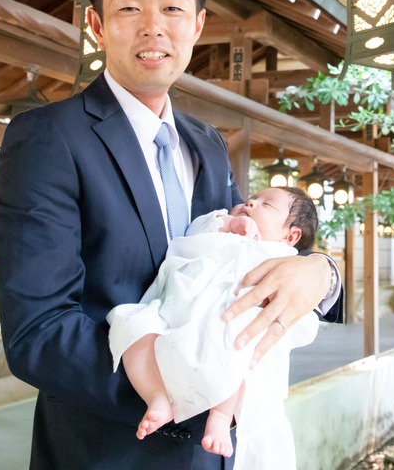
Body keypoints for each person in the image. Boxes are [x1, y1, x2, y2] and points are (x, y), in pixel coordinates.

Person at [0, 0, 342, 470]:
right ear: (97, 25)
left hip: (219, 453)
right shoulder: (48, 137)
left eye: (173, 8)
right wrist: (183, 386)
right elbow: (38, 331)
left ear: (197, 25)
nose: (153, 26)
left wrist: (322, 271)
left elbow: (247, 254)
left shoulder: (206, 144)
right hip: (108, 451)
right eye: (129, 7)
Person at [109, 186, 320, 468]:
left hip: (228, 323)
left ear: (290, 236)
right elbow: (196, 231)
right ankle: (157, 395)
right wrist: (229, 223)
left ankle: (220, 417)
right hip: (177, 311)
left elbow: (300, 295)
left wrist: (322, 270)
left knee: (239, 357)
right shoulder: (224, 229)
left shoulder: (281, 257)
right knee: (132, 327)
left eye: (266, 205)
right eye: (252, 199)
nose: (252, 203)